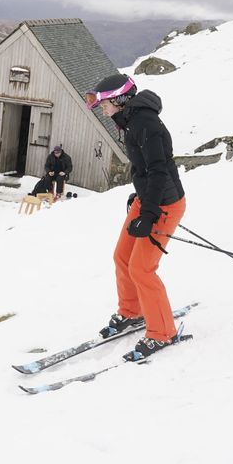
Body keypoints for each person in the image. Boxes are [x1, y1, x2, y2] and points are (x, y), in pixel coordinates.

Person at [86, 74, 187, 361]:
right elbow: (142, 169)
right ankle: (132, 312)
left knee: (142, 268)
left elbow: (158, 170)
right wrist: (139, 195)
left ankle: (163, 332)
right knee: (122, 257)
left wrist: (151, 212)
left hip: (164, 204)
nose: (103, 110)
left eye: (105, 103)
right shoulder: (131, 121)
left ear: (120, 100)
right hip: (148, 198)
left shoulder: (147, 125)